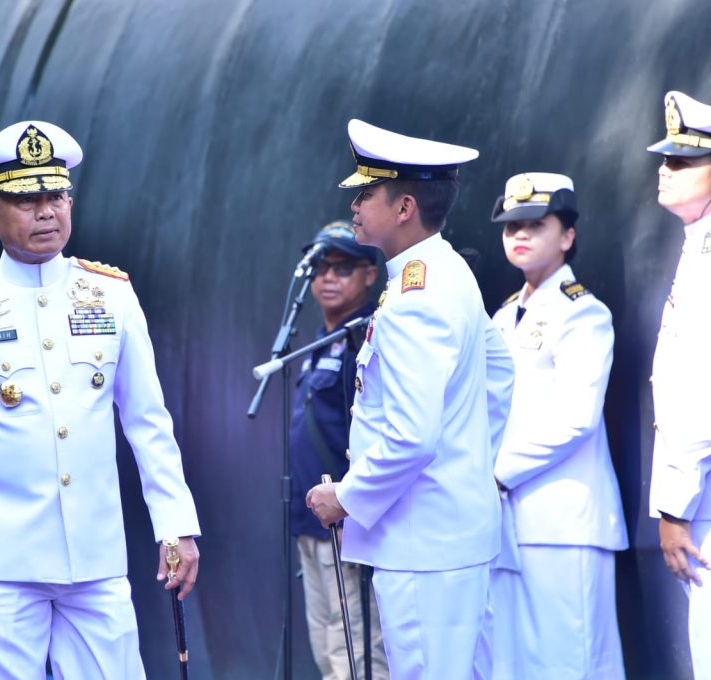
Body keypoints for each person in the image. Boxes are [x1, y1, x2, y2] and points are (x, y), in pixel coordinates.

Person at [0, 120, 201, 679]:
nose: (45, 213)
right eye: (26, 201)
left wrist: (176, 523)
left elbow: (147, 421)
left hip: (95, 555)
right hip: (0, 559)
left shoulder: (111, 296)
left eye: (56, 197)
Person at [305, 119, 515, 680]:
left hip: (424, 544)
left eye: (366, 194)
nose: (354, 205)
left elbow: (412, 437)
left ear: (404, 207)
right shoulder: (445, 271)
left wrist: (345, 497)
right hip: (450, 532)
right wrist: (467, 464)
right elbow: (499, 375)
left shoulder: (414, 297)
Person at [488, 172, 628, 679]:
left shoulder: (582, 314)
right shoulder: (503, 317)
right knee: (515, 666)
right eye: (511, 226)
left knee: (572, 664)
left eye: (535, 224)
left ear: (567, 235)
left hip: (565, 519)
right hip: (509, 522)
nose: (520, 235)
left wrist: (496, 473)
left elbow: (576, 419)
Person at [290, 221, 389, 680]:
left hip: (347, 518)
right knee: (326, 646)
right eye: (320, 267)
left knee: (356, 650)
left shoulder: (365, 337)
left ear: (369, 274)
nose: (328, 276)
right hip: (311, 519)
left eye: (343, 266)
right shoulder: (320, 340)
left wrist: (355, 502)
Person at [646, 90, 711, 679]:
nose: (666, 169)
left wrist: (675, 506)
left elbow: (698, 390)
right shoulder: (699, 246)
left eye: (684, 161)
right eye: (666, 159)